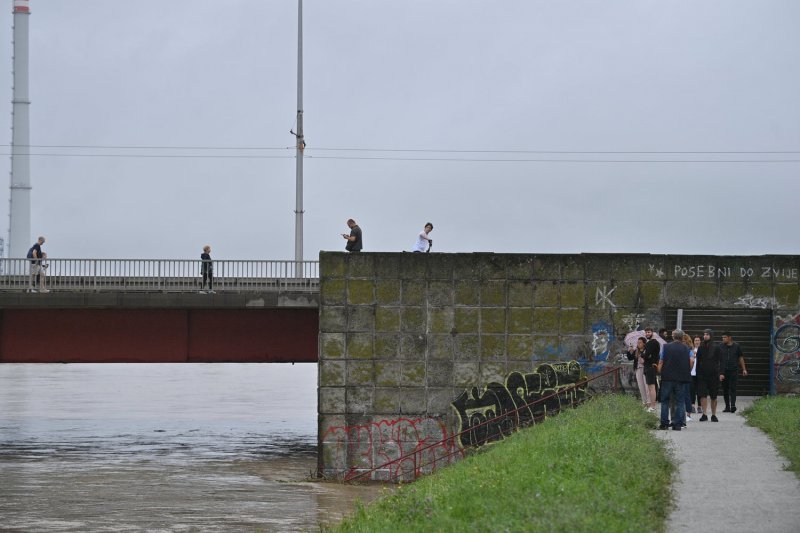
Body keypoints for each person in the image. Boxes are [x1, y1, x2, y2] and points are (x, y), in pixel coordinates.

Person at [657, 329, 692, 431]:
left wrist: (659, 371)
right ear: (682, 337)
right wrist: (687, 371)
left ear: (673, 336)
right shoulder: (686, 348)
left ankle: (664, 423)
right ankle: (677, 424)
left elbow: (661, 361)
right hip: (681, 378)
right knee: (680, 401)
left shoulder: (666, 347)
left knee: (665, 401)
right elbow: (691, 361)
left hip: (667, 378)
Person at [695, 328, 722, 422]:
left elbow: (721, 361)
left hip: (714, 375)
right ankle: (704, 414)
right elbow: (698, 361)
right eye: (704, 334)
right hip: (702, 375)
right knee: (702, 395)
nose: (705, 336)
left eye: (707, 334)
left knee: (714, 396)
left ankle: (714, 415)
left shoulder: (716, 347)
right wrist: (698, 373)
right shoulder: (701, 347)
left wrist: (721, 373)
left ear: (711, 336)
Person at [720, 331, 748, 413]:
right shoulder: (721, 346)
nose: (723, 339)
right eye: (722, 338)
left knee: (733, 388)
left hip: (733, 370)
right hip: (724, 371)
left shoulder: (736, 346)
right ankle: (727, 407)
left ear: (729, 337)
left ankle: (733, 405)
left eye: (725, 337)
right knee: (725, 389)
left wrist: (744, 369)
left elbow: (740, 357)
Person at [626, 337, 650, 407]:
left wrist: (642, 357)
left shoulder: (647, 350)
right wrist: (629, 351)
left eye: (640, 342)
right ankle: (644, 402)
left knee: (646, 386)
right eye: (638, 342)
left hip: (645, 369)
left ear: (644, 343)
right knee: (641, 386)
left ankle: (649, 402)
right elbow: (630, 358)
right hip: (638, 369)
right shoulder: (636, 351)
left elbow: (648, 360)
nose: (638, 344)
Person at [642, 327, 661, 412]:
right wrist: (644, 354)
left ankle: (653, 406)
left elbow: (645, 355)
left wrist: (644, 354)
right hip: (648, 366)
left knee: (652, 387)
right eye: (646, 332)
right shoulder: (649, 343)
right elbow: (644, 354)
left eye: (649, 332)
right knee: (650, 387)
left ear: (652, 333)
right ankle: (652, 405)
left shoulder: (653, 343)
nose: (647, 334)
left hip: (650, 367)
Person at [682, 333, 696, 420]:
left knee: (687, 394)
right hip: (685, 373)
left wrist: (688, 370)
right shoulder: (688, 350)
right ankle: (686, 413)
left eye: (684, 341)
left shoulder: (689, 350)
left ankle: (688, 413)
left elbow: (692, 362)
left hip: (686, 374)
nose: (682, 342)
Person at [692, 334, 702, 413]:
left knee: (700, 390)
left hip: (700, 373)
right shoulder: (691, 350)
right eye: (695, 340)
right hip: (692, 372)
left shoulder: (703, 350)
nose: (697, 342)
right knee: (692, 390)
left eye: (698, 340)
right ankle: (692, 405)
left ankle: (699, 406)